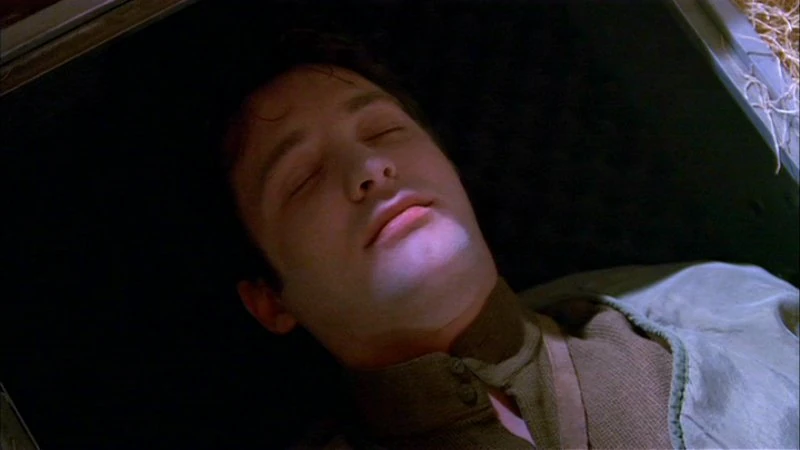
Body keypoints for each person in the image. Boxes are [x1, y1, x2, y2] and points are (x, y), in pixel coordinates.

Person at [218, 29, 800, 449]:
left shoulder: (728, 307)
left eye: (383, 129)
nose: (370, 166)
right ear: (269, 301)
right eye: (303, 177)